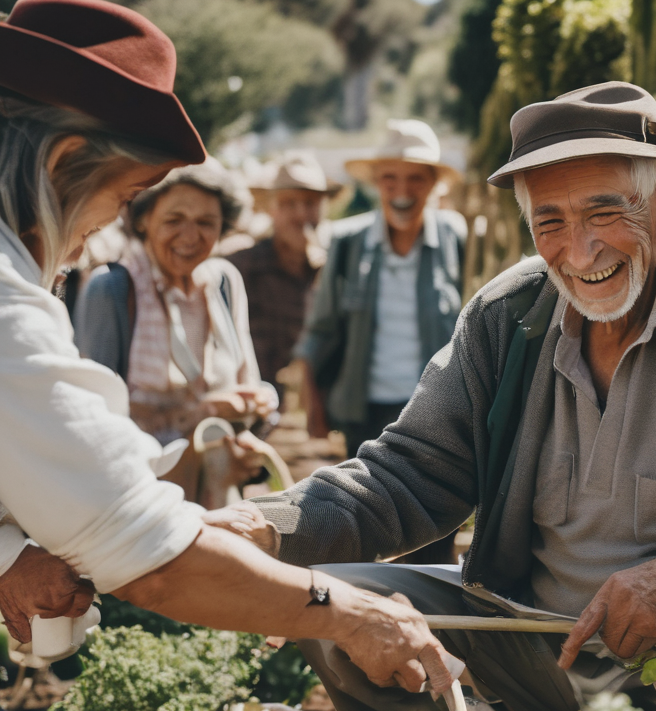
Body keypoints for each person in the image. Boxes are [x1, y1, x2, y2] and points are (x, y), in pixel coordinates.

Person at [0, 0, 454, 711]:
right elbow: (150, 557)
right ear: (66, 160)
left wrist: (10, 558)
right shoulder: (9, 303)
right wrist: (351, 612)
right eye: (124, 202)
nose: (100, 235)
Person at [237, 82, 656, 711]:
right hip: (533, 639)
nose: (578, 253)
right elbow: (406, 474)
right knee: (342, 606)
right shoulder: (510, 314)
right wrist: (266, 525)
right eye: (549, 222)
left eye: (603, 213)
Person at [75, 160, 276, 506]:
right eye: (173, 220)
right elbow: (93, 416)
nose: (190, 236)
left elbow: (250, 384)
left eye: (206, 223)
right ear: (142, 220)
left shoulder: (224, 282)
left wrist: (258, 406)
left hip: (218, 489)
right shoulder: (112, 289)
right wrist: (201, 411)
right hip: (142, 496)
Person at [296, 119, 466, 455]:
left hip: (434, 410)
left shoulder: (455, 238)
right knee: (369, 505)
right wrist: (313, 407)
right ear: (377, 184)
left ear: (433, 185)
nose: (402, 192)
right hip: (363, 413)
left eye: (416, 178)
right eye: (390, 179)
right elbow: (320, 329)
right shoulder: (347, 243)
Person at [229, 151, 331, 399]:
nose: (300, 215)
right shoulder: (241, 268)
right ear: (271, 209)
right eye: (288, 204)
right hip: (254, 406)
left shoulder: (334, 271)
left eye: (310, 203)